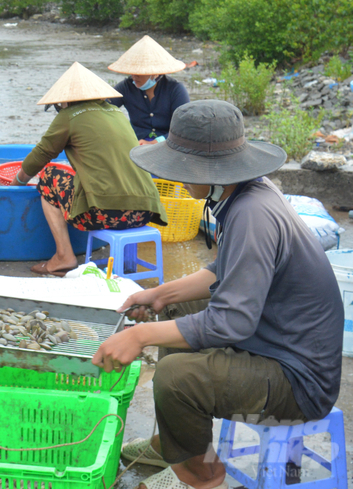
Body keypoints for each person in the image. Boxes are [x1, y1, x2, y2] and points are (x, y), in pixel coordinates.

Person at [92, 100, 344, 489]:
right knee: (179, 305)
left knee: (176, 379)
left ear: (210, 171)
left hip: (299, 379)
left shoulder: (251, 214)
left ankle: (203, 477)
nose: (176, 178)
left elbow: (231, 321)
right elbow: (222, 271)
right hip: (275, 336)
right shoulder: (244, 194)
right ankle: (174, 442)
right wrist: (159, 294)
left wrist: (139, 335)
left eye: (181, 168)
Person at [12, 62, 167, 277]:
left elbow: (40, 155)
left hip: (105, 214)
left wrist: (17, 182)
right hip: (144, 212)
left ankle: (63, 255)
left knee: (48, 176)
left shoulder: (70, 116)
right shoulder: (116, 114)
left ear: (65, 100)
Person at [107, 35, 190, 145]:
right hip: (136, 143)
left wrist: (156, 142)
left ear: (155, 73)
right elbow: (105, 106)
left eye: (139, 73)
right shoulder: (127, 87)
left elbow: (184, 126)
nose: (134, 76)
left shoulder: (175, 90)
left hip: (170, 144)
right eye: (132, 72)